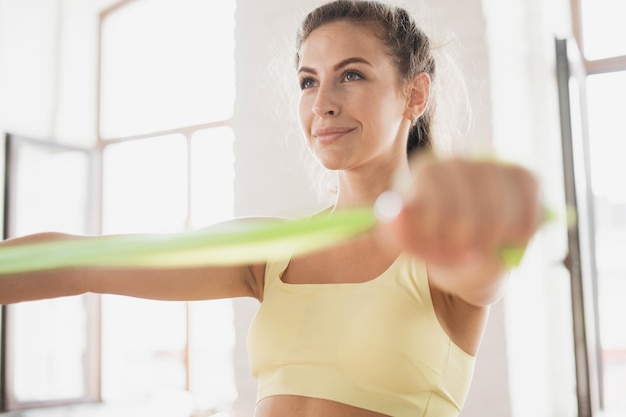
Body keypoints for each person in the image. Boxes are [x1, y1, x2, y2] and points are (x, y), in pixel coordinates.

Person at [0, 1, 541, 416]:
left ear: (415, 94)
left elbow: (481, 266)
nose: (323, 101)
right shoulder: (272, 251)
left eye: (351, 75)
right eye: (308, 81)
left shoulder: (445, 241)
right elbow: (81, 262)